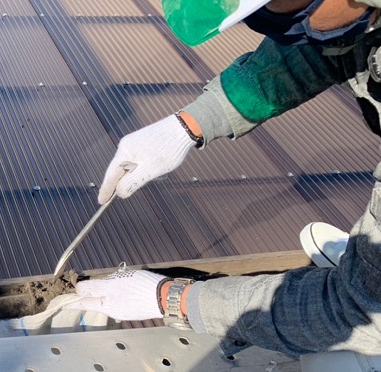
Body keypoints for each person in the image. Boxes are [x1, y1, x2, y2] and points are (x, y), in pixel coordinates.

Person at [65, 0, 381, 369]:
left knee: (338, 357)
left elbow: (362, 312)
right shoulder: (351, 14)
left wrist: (174, 299)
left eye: (277, 8)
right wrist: (190, 124)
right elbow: (326, 50)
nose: (275, 24)